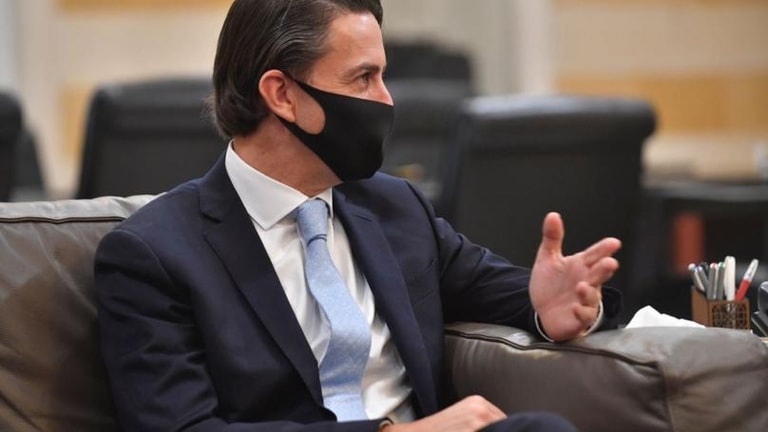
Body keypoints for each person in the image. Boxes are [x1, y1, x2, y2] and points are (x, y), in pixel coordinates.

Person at [94, 0, 623, 431]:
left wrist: (556, 305)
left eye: (383, 76)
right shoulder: (153, 254)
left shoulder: (395, 208)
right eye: (363, 78)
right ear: (282, 94)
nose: (386, 101)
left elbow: (518, 294)